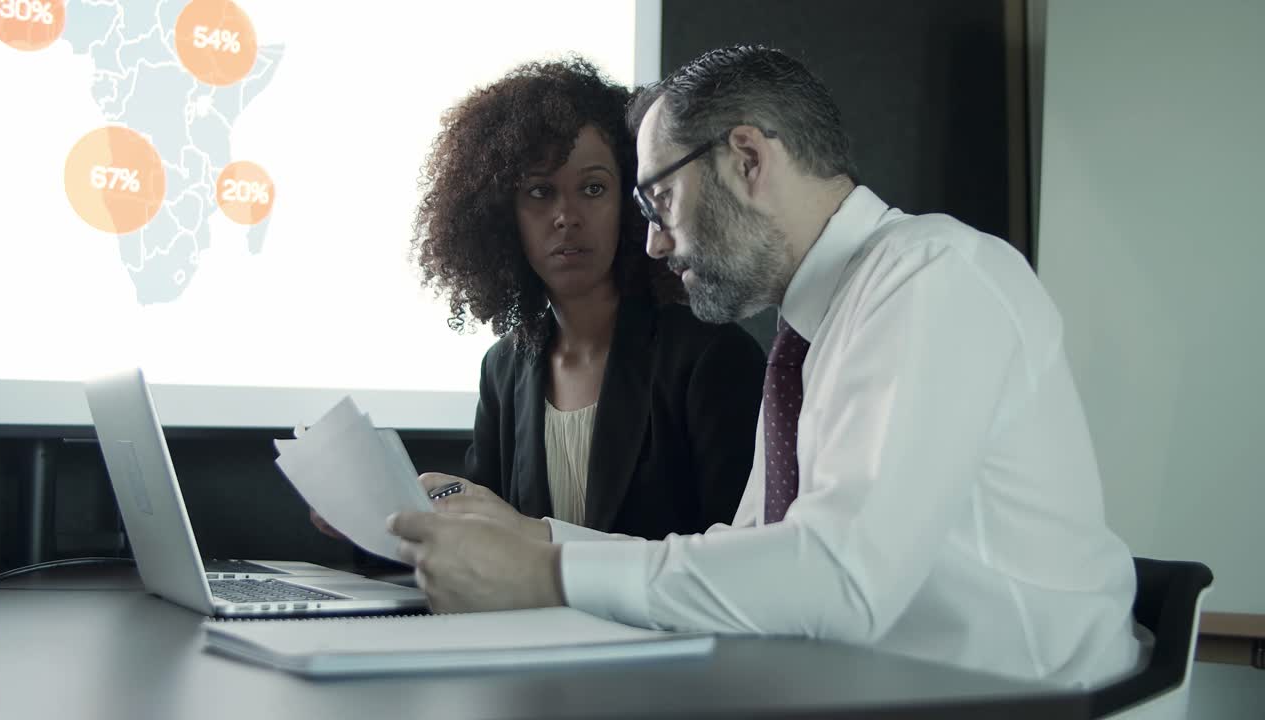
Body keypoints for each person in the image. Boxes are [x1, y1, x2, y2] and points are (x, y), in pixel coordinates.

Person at [388, 46, 1144, 688]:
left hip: (1028, 701)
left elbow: (842, 579)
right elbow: (747, 557)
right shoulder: (814, 331)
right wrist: (535, 538)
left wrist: (545, 575)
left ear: (747, 159)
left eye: (660, 202)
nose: (652, 244)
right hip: (890, 689)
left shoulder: (933, 277)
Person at [312, 58, 765, 544]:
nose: (566, 216)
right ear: (501, 218)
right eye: (539, 192)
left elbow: (735, 562)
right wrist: (378, 524)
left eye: (593, 188)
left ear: (635, 202)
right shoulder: (503, 369)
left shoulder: (712, 357)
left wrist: (533, 538)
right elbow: (483, 549)